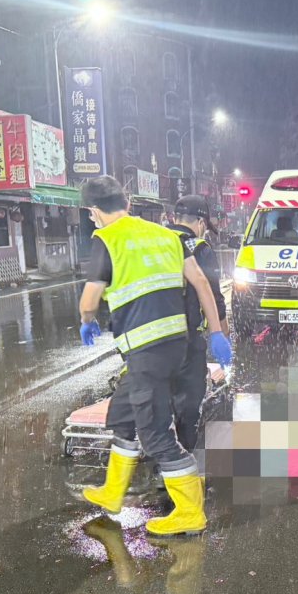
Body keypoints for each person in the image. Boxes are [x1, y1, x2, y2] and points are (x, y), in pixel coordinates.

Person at [77, 176, 232, 535]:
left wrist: (87, 320)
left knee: (155, 433)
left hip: (147, 352)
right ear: (128, 203)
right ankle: (113, 491)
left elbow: (89, 299)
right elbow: (201, 283)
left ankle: (190, 511)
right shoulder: (166, 235)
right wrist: (217, 332)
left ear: (93, 211)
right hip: (176, 346)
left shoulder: (106, 239)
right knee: (124, 413)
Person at [168, 194, 229, 452]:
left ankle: (160, 455)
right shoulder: (200, 248)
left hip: (153, 338)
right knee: (190, 402)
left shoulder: (157, 242)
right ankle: (182, 457)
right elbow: (213, 295)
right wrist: (221, 333)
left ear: (174, 218)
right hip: (187, 338)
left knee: (162, 400)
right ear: (201, 222)